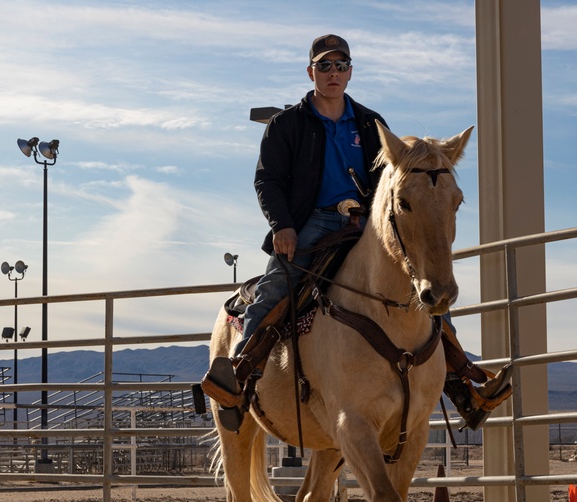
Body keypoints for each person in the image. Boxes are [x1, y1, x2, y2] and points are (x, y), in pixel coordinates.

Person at [202, 34, 510, 431]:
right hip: (311, 222)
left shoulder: (370, 122)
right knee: (277, 286)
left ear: (350, 72)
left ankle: (463, 384)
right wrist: (283, 226)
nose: (333, 72)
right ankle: (237, 376)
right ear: (311, 71)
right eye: (325, 65)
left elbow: (396, 181)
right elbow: (269, 181)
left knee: (429, 287)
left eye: (341, 65)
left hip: (368, 224)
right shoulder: (287, 125)